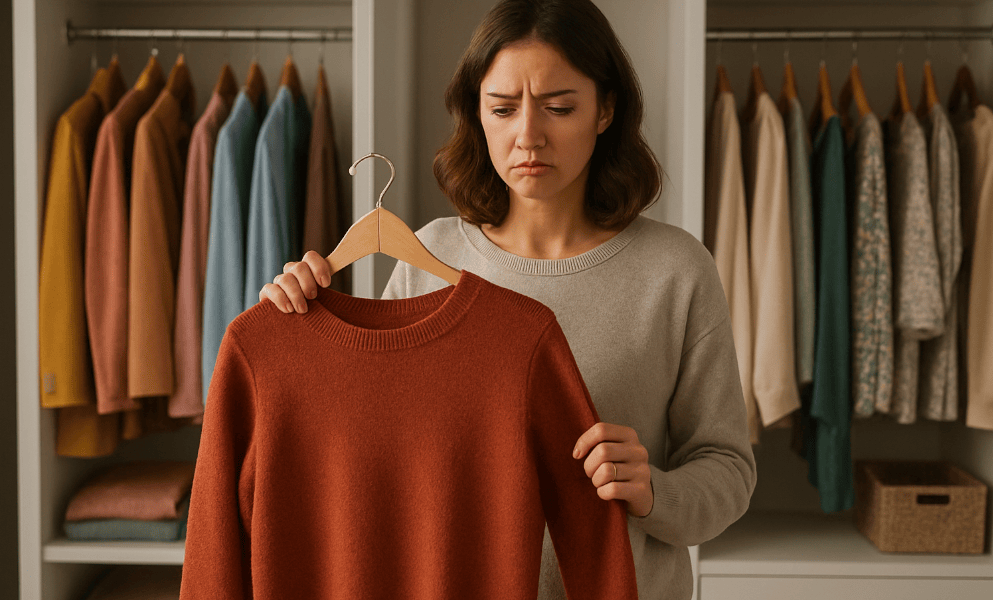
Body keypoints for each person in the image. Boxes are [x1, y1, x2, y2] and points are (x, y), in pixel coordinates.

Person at [257, 1, 756, 598]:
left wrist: (653, 490)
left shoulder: (676, 271)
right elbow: (370, 454)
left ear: (606, 109)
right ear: (477, 114)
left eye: (559, 108)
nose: (528, 136)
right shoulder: (428, 258)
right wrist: (298, 330)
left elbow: (728, 471)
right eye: (502, 108)